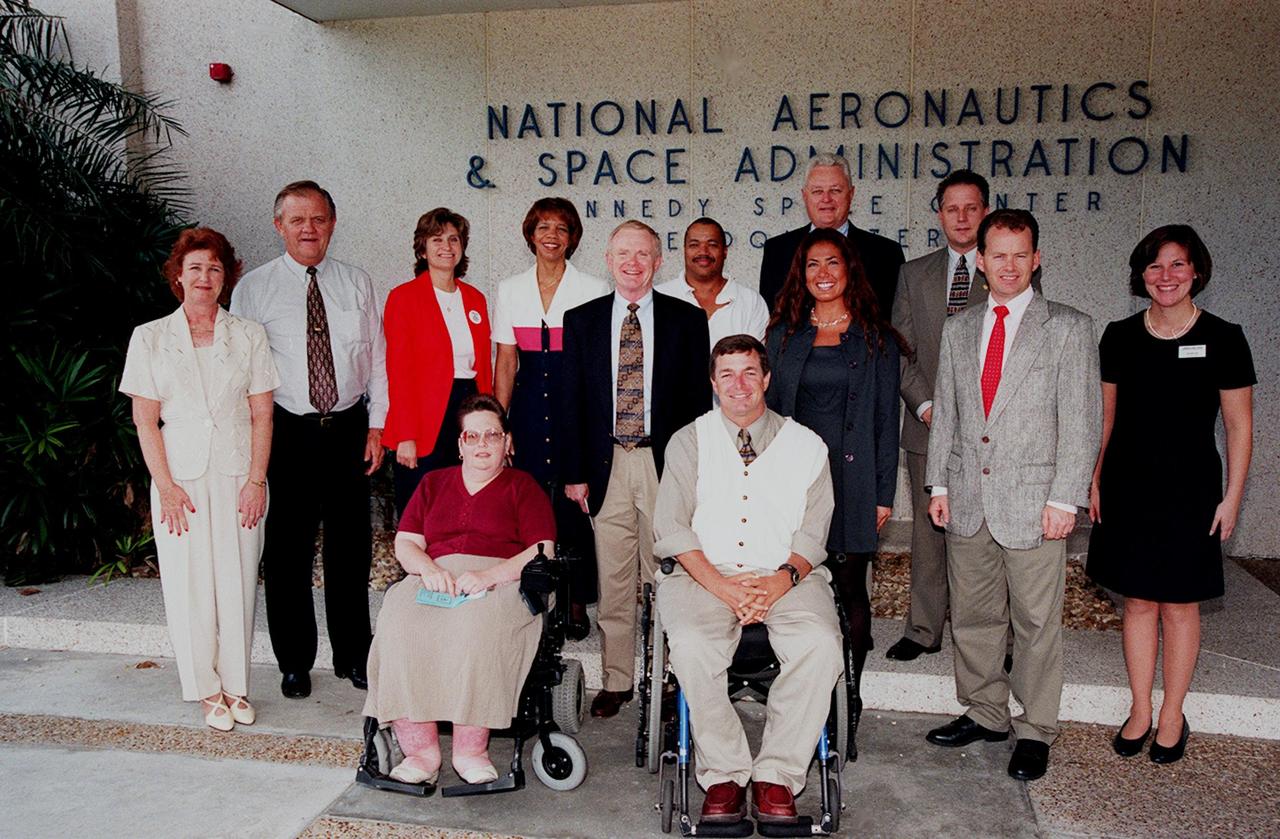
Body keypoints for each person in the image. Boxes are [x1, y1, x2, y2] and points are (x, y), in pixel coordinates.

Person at [924, 209, 1101, 781]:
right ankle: (986, 711)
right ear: (980, 261)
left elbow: (1081, 421)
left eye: (1019, 254)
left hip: (1034, 503)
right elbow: (948, 413)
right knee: (973, 617)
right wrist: (940, 484)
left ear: (1036, 259)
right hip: (969, 500)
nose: (1008, 265)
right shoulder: (959, 329)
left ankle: (1035, 728)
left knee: (1034, 621)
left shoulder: (1069, 328)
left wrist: (1066, 499)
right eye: (997, 254)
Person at [653, 334, 840, 826]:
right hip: (703, 575)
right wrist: (724, 587)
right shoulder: (688, 441)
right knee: (692, 645)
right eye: (728, 374)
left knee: (820, 644)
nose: (739, 385)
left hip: (787, 575)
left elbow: (815, 530)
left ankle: (777, 773)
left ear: (767, 379)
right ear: (713, 383)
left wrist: (781, 580)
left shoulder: (807, 445)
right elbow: (671, 527)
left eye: (750, 373)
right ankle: (725, 775)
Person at [1086, 225, 1254, 764]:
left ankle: (1172, 713)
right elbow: (1105, 416)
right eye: (1155, 266)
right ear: (1142, 275)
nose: (1166, 276)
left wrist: (1232, 498)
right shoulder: (1119, 335)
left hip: (1192, 491)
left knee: (1180, 606)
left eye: (1177, 264)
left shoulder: (1225, 337)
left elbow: (1239, 428)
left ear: (1197, 272)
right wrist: (1092, 477)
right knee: (1136, 601)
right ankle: (1139, 708)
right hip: (1127, 486)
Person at [231, 180, 388, 698]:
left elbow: (377, 360)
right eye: (297, 220)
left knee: (351, 550)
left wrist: (377, 424)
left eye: (318, 219)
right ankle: (294, 661)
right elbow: (241, 372)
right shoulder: (253, 289)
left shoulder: (358, 283)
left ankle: (353, 654)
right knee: (287, 552)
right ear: (279, 226)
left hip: (347, 429)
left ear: (333, 224)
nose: (308, 229)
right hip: (286, 431)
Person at [121, 227, 279, 730]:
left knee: (235, 583)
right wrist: (164, 486)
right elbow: (145, 420)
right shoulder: (149, 337)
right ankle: (206, 688)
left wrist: (257, 481)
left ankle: (235, 684)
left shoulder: (249, 334)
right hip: (179, 480)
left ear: (227, 276)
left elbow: (262, 415)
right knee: (190, 585)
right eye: (195, 268)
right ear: (178, 276)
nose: (204, 277)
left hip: (238, 476)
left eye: (214, 268)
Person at [887, 170, 1041, 663]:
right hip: (926, 425)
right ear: (939, 213)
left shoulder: (1007, 270)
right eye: (952, 208)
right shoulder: (914, 274)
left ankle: (1004, 641)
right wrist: (928, 405)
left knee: (995, 533)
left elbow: (1023, 350)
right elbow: (902, 350)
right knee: (931, 534)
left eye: (971, 208)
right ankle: (924, 628)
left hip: (995, 433)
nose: (961, 217)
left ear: (986, 211)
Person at [560, 220, 711, 719]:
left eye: (642, 253)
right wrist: (575, 471)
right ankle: (618, 680)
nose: (632, 262)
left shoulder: (687, 321)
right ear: (607, 258)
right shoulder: (580, 321)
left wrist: (692, 474)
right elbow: (574, 402)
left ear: (657, 260)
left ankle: (666, 679)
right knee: (615, 579)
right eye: (623, 253)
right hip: (606, 465)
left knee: (666, 575)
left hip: (661, 462)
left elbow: (695, 405)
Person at [363, 394, 556, 785]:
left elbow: (543, 550)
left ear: (508, 442)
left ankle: (470, 750)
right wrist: (429, 569)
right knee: (399, 624)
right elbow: (406, 543)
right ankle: (421, 752)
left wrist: (491, 576)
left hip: (501, 579)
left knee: (475, 628)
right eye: (473, 436)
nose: (483, 444)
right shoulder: (434, 483)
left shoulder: (522, 486)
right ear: (460, 444)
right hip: (435, 576)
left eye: (492, 435)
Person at [764, 227, 903, 758]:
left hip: (854, 480)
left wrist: (882, 493)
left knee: (849, 593)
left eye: (833, 264)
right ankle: (803, 693)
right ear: (801, 274)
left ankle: (848, 698)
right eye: (812, 265)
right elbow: (766, 414)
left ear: (850, 272)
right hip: (792, 484)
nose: (823, 274)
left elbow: (886, 420)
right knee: (795, 586)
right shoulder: (781, 335)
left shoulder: (877, 338)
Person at [492, 198, 608, 640]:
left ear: (573, 237)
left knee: (573, 507)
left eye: (562, 228)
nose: (552, 236)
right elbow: (505, 362)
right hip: (527, 409)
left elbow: (598, 368)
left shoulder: (594, 288)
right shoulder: (510, 289)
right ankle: (533, 599)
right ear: (530, 234)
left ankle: (576, 600)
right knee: (529, 503)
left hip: (573, 407)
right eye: (544, 227)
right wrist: (501, 426)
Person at [383, 207, 492, 516]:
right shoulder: (404, 298)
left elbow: (483, 367)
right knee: (422, 507)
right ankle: (418, 566)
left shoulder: (475, 299)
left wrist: (491, 423)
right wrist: (406, 435)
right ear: (422, 247)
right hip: (423, 417)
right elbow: (398, 371)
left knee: (465, 499)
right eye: (437, 239)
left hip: (468, 407)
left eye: (454, 239)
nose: (447, 247)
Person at [758, 153, 904, 317]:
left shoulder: (887, 253)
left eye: (835, 190)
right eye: (817, 191)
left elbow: (893, 320)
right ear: (805, 196)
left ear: (851, 194)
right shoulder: (777, 250)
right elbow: (772, 316)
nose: (826, 199)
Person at [656, 217, 769, 345]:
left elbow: (756, 360)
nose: (703, 252)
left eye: (712, 245)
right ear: (684, 250)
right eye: (694, 245)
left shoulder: (751, 302)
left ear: (725, 251)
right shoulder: (658, 297)